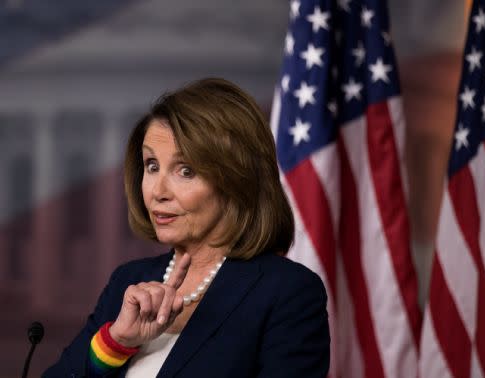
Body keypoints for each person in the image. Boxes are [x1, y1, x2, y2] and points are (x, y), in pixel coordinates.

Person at [43, 78, 330, 377]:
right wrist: (115, 344)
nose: (158, 191)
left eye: (185, 171)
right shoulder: (127, 281)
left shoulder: (288, 292)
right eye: (152, 166)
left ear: (236, 179)